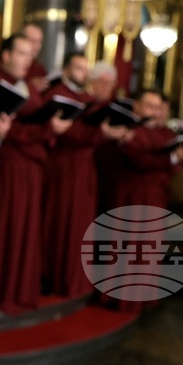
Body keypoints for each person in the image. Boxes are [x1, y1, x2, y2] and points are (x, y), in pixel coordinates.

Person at [0, 34, 73, 312]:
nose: (28, 60)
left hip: (29, 167)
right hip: (9, 168)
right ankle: (0, 291)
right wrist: (44, 129)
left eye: (30, 54)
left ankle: (18, 289)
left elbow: (24, 126)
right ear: (6, 56)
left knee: (23, 229)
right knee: (6, 228)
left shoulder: (26, 85)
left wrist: (48, 126)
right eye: (22, 53)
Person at [41, 54, 130, 298]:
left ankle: (73, 278)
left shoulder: (87, 100)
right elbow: (71, 133)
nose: (82, 74)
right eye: (79, 69)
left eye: (85, 69)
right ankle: (52, 274)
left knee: (79, 224)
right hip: (63, 168)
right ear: (68, 70)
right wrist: (101, 134)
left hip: (84, 168)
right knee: (59, 221)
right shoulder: (58, 95)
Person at [105, 90, 183, 211]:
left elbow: (177, 163)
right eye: (150, 106)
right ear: (136, 105)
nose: (155, 111)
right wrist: (175, 157)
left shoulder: (166, 133)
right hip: (131, 194)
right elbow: (140, 160)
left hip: (158, 193)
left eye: (157, 107)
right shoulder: (126, 129)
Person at [21, 23, 50, 92]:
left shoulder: (39, 68)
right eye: (33, 41)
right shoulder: (15, 64)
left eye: (39, 42)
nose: (37, 47)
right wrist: (29, 86)